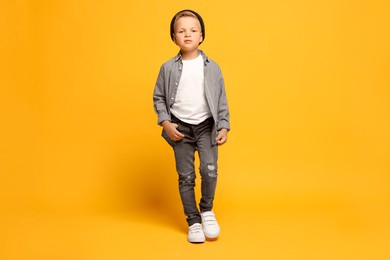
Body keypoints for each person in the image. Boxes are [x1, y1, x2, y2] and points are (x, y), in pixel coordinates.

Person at [153, 9, 230, 243]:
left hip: (206, 126)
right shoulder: (167, 68)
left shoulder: (213, 67)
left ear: (201, 36)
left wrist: (224, 125)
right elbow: (159, 98)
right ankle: (193, 221)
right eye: (181, 31)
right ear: (174, 37)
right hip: (180, 129)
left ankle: (206, 210)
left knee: (209, 170)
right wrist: (165, 122)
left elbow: (221, 98)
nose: (187, 34)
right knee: (186, 176)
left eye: (193, 30)